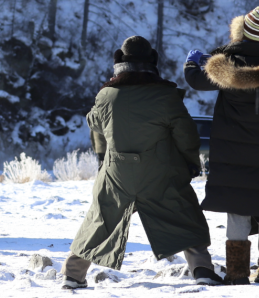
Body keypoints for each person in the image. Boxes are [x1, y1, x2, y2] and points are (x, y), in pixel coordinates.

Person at [63, 36, 222, 290]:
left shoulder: (107, 94)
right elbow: (187, 135)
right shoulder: (166, 95)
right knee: (184, 215)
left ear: (119, 61)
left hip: (117, 174)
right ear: (152, 62)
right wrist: (191, 165)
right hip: (160, 174)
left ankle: (72, 274)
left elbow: (93, 122)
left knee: (100, 221)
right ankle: (202, 269)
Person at [184, 6, 259, 285]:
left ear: (242, 31)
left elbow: (196, 80)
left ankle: (237, 273)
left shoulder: (227, 63)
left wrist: (191, 63)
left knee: (238, 207)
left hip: (234, 151)